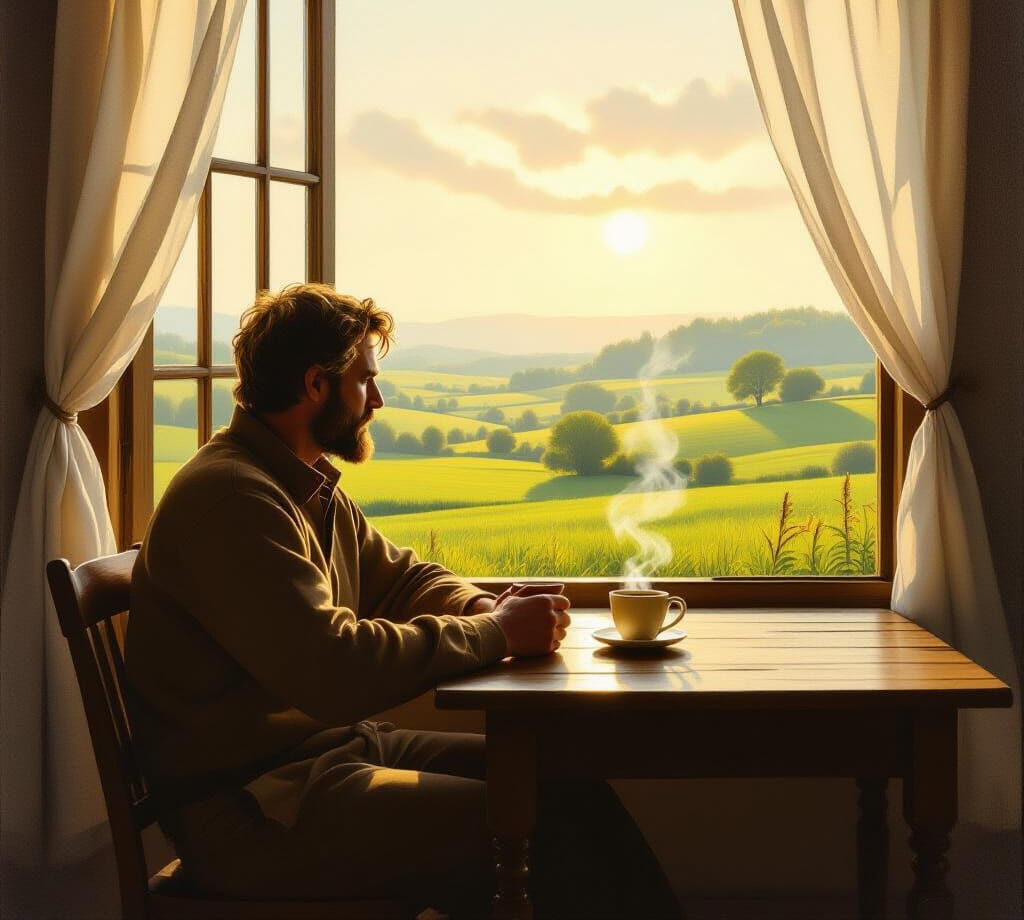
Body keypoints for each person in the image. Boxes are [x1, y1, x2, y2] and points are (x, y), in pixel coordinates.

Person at [126, 283, 681, 919]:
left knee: (565, 785)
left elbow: (403, 578)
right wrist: (498, 634)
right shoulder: (233, 500)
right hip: (257, 808)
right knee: (535, 824)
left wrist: (480, 608)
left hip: (329, 758)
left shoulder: (299, 485)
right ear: (316, 384)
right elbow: (333, 668)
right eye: (366, 380)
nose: (378, 399)